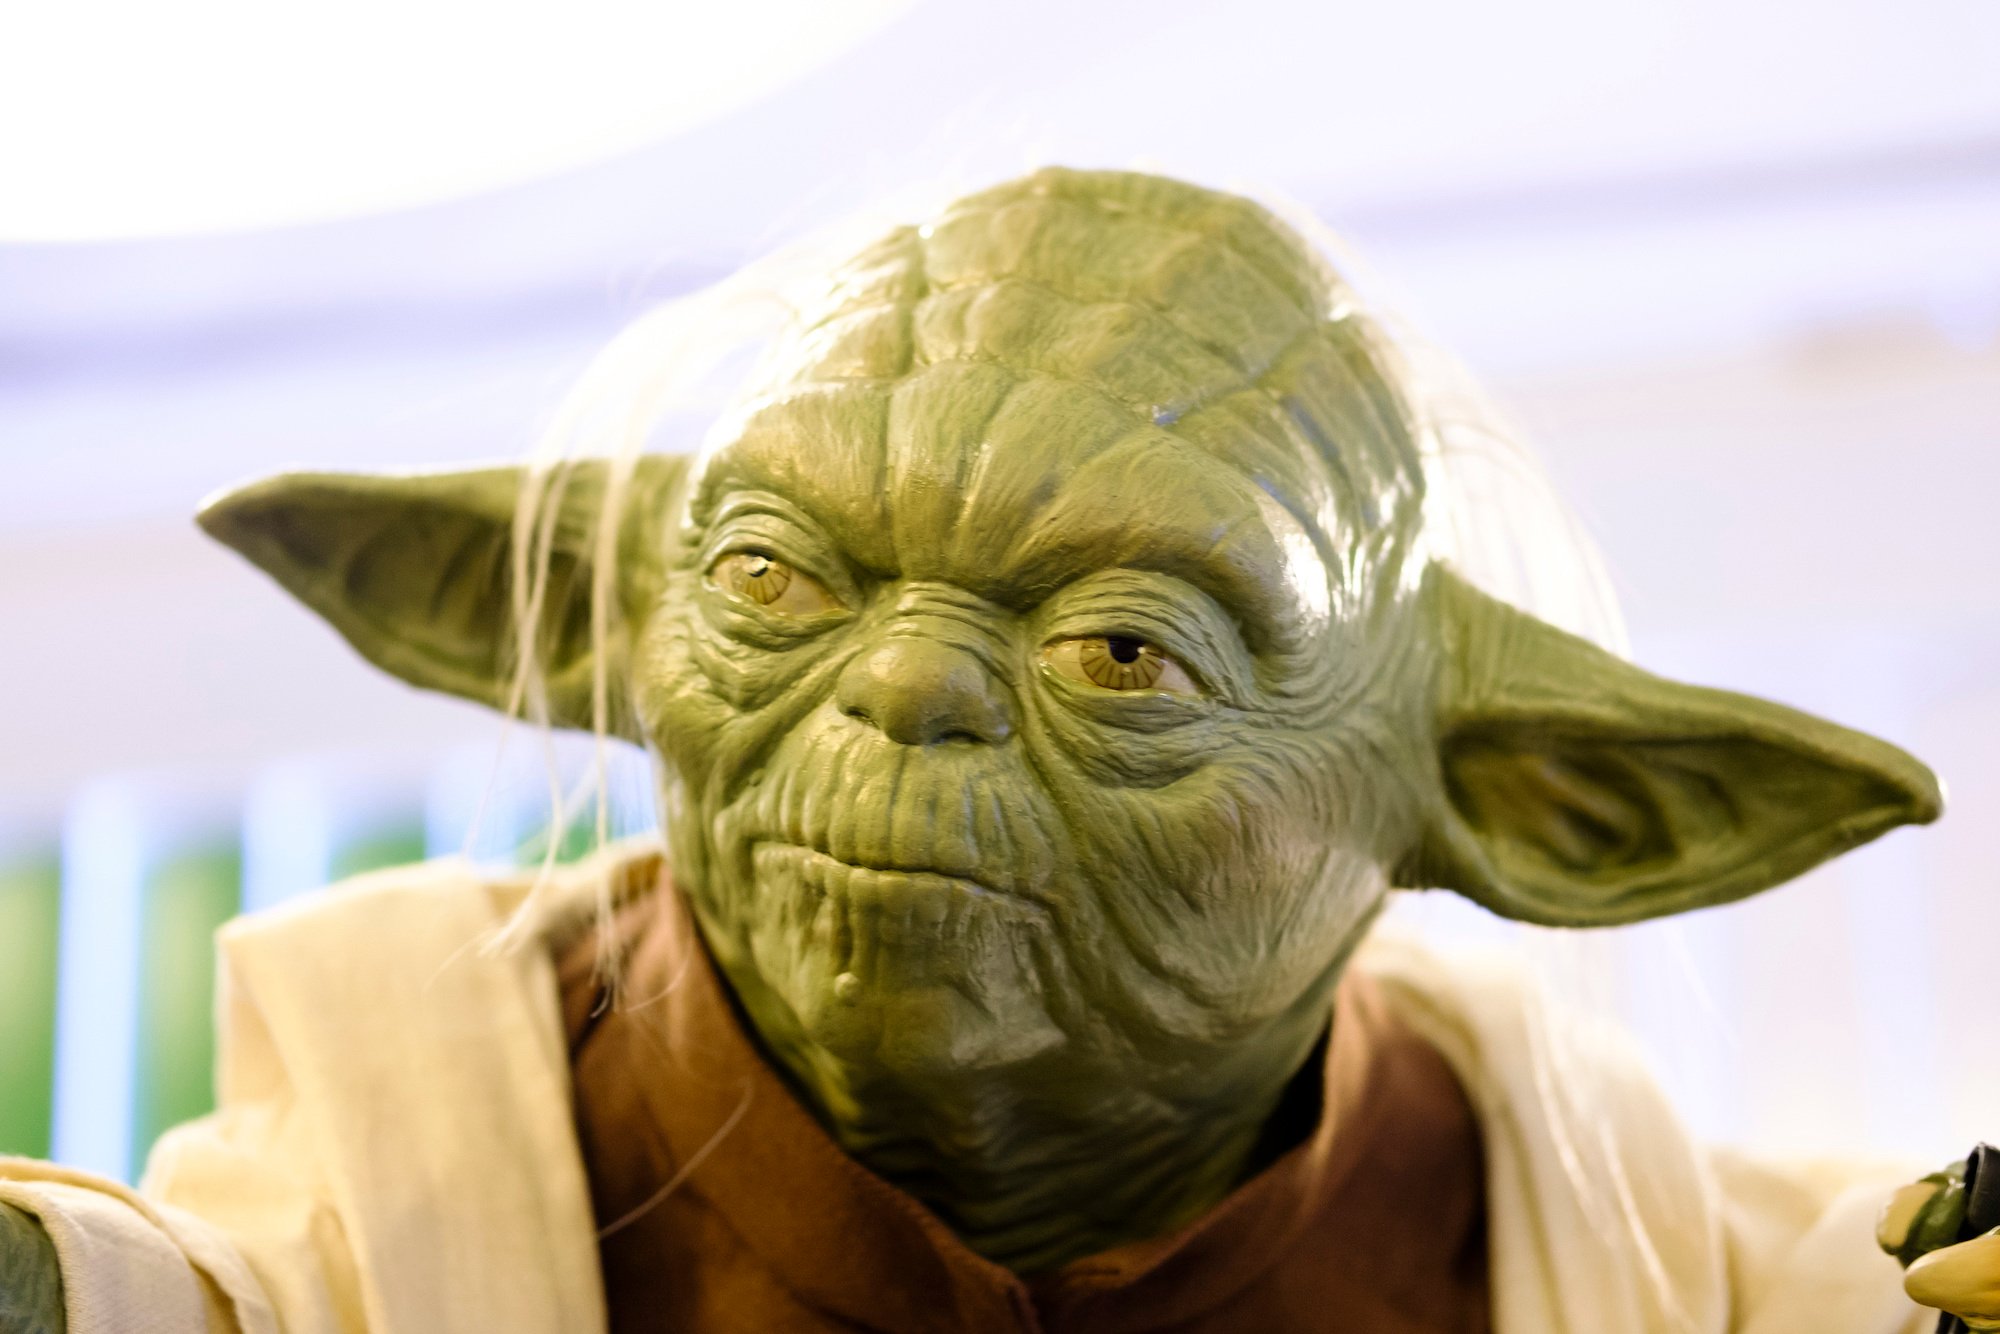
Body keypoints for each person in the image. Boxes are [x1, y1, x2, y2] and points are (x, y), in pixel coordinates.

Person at [0, 167, 1989, 1333]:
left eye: (1127, 650)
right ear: (627, 633)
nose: (905, 686)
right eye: (776, 578)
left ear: (1513, 796)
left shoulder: (1626, 1248)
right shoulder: (403, 1178)